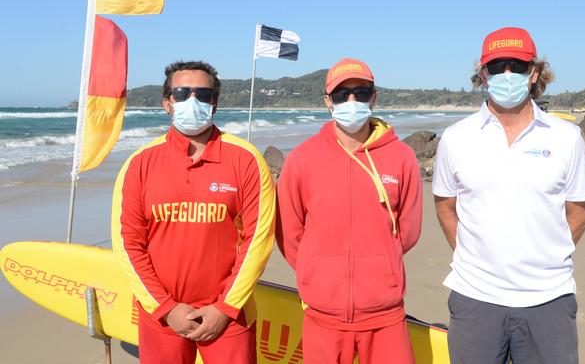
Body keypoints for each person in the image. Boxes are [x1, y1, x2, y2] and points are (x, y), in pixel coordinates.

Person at [432, 27, 585, 363]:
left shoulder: (567, 138)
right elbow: (446, 207)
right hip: (475, 298)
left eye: (517, 66)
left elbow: (579, 212)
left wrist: (543, 256)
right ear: (483, 74)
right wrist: (479, 258)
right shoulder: (456, 138)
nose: (508, 74)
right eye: (497, 66)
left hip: (549, 300)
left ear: (534, 72)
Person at [112, 60, 275, 364]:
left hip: (229, 317)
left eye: (203, 94)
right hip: (162, 317)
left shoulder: (247, 160)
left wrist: (225, 308)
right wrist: (165, 308)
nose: (193, 100)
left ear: (215, 103)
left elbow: (258, 241)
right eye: (182, 92)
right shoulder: (139, 164)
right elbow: (128, 244)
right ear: (167, 103)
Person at [276, 58, 422, 363]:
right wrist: (318, 272)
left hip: (386, 314)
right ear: (328, 102)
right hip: (322, 314)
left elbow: (408, 230)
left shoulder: (402, 156)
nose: (352, 101)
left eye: (361, 92)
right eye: (343, 95)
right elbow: (289, 233)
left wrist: (380, 265)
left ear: (374, 97)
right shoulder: (302, 160)